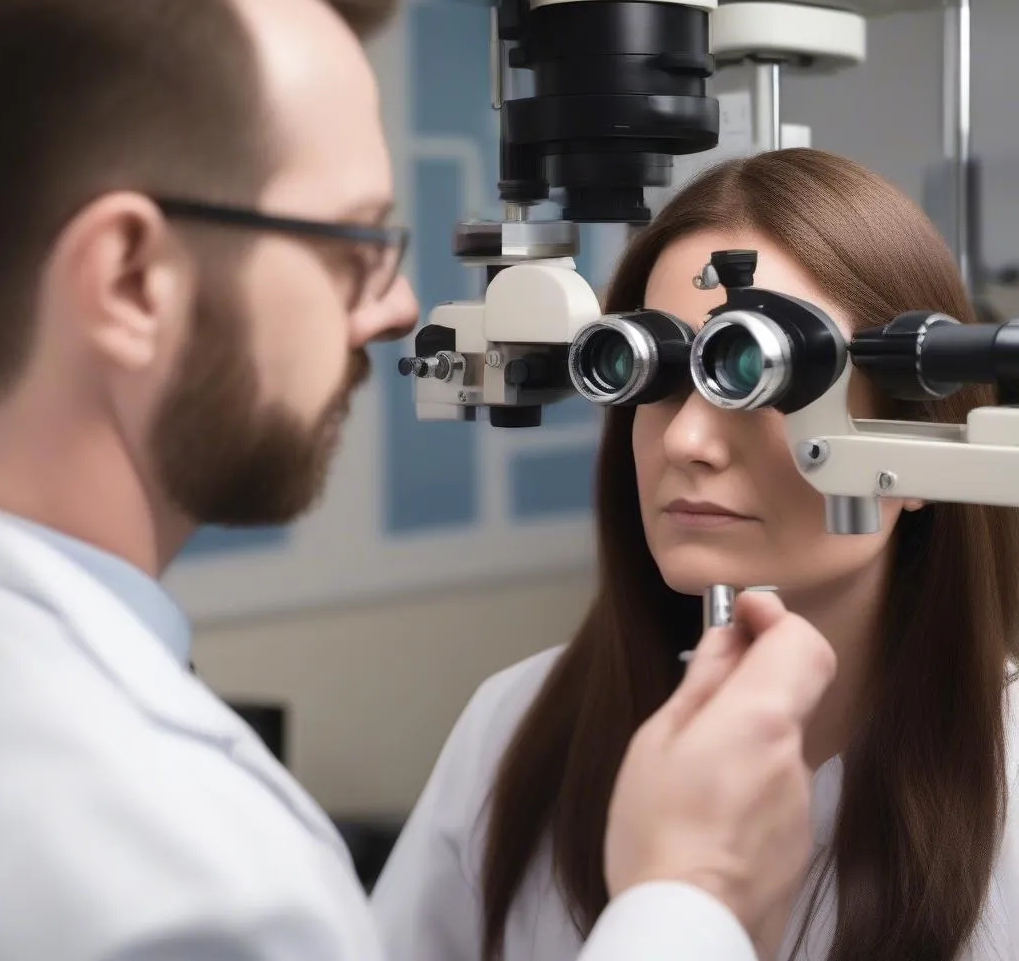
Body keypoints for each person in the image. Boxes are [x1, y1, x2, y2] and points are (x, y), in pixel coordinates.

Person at [0, 0, 837, 959]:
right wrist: (691, 898)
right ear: (131, 279)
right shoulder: (175, 875)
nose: (397, 308)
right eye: (352, 244)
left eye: (740, 368)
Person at [370, 147, 1019, 961]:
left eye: (753, 375)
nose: (685, 439)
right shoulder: (515, 726)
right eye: (659, 377)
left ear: (922, 435)